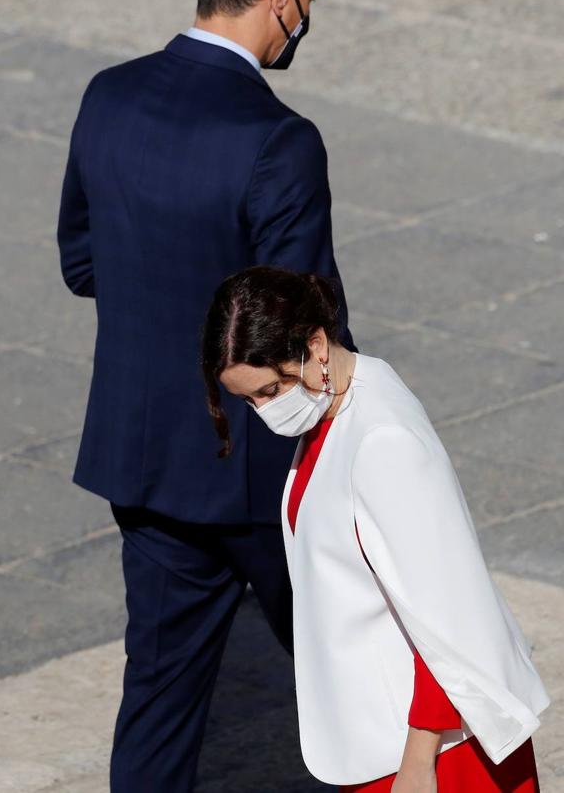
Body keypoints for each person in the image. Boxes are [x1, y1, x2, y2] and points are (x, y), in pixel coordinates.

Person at [56, 0, 355, 790]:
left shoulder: (108, 96)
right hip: (261, 478)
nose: (308, 17)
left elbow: (82, 263)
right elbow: (310, 330)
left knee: (158, 695)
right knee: (359, 666)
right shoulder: (277, 141)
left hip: (142, 461)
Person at [202, 265, 550, 792]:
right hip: (385, 737)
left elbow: (447, 609)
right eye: (249, 400)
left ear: (316, 345)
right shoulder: (345, 401)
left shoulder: (383, 442)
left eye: (270, 390)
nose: (264, 412)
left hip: (432, 752)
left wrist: (417, 765)